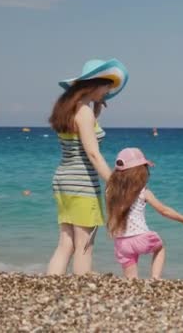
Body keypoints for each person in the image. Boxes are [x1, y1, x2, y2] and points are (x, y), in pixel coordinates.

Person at [47, 58, 128, 275]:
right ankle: (80, 291)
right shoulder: (84, 112)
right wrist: (115, 183)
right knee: (85, 245)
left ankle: (50, 286)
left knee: (66, 243)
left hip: (63, 180)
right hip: (82, 183)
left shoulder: (68, 110)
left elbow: (79, 139)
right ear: (95, 85)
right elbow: (92, 153)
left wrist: (95, 109)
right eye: (106, 86)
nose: (107, 91)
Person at [106, 148, 183, 279]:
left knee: (131, 279)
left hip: (121, 243)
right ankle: (155, 278)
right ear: (140, 172)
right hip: (141, 238)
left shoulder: (110, 191)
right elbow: (163, 210)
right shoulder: (143, 192)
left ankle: (133, 288)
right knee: (159, 248)